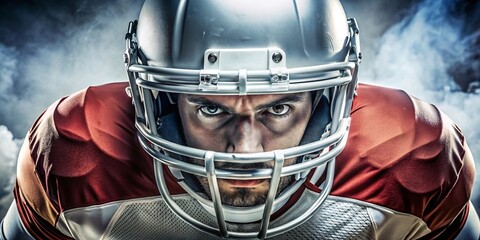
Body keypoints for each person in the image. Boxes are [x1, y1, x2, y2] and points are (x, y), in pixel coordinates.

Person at [1, 0, 479, 239]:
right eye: (211, 108)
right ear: (159, 103)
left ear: (330, 102)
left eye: (278, 107)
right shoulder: (79, 158)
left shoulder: (407, 159)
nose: (244, 151)